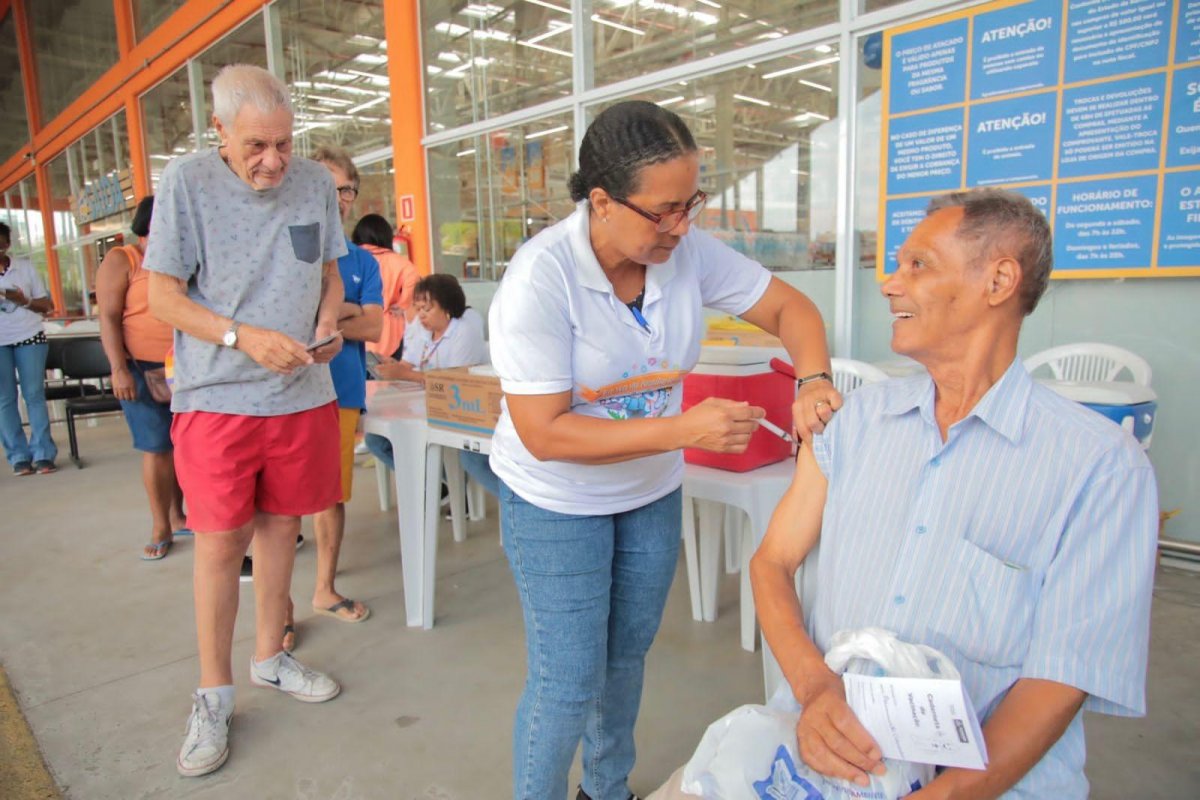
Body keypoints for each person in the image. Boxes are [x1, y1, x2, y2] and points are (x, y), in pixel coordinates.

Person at [750, 188, 1158, 799]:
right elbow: (772, 562)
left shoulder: (1100, 467)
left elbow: (1063, 676)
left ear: (998, 281)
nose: (890, 285)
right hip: (821, 752)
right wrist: (815, 689)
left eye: (919, 265)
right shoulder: (856, 422)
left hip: (984, 782)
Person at [486, 100, 839, 800]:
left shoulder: (684, 253)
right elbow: (545, 432)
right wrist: (682, 430)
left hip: (648, 495)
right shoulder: (541, 278)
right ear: (601, 201)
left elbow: (791, 310)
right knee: (567, 677)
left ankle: (607, 789)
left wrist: (815, 377)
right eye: (662, 211)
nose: (681, 226)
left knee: (623, 661)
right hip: (555, 500)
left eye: (691, 204)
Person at [144, 64, 347, 778]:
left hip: (300, 392)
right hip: (218, 395)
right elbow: (163, 297)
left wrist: (327, 316)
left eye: (285, 144)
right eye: (257, 145)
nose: (273, 161)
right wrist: (239, 336)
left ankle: (270, 657)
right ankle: (213, 693)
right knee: (220, 544)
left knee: (283, 526)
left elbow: (326, 271)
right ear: (220, 132)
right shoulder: (188, 187)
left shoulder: (315, 184)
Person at [286, 144, 384, 643]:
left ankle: (324, 588)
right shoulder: (283, 251)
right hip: (281, 391)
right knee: (278, 505)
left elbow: (373, 324)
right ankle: (277, 606)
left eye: (345, 189)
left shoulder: (363, 260)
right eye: (328, 186)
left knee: (330, 495)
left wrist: (334, 313)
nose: (338, 197)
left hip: (340, 391)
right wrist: (346, 311)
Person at [96, 196, 190, 560]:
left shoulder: (179, 261)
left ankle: (179, 515)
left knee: (182, 445)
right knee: (156, 447)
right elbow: (107, 317)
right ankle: (160, 526)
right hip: (138, 367)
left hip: (181, 367)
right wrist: (118, 368)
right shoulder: (124, 259)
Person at [366, 273, 495, 495]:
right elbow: (408, 364)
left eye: (427, 309)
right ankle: (440, 485)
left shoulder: (463, 331)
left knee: (466, 456)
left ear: (446, 306)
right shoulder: (425, 332)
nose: (421, 316)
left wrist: (404, 374)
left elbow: (455, 383)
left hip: (459, 409)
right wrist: (393, 366)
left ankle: (447, 487)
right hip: (422, 405)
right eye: (418, 308)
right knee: (375, 439)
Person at [0, 221, 57, 476]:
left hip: (29, 336)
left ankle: (43, 453)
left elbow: (47, 305)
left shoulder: (25, 268)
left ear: (7, 245)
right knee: (5, 399)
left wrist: (23, 300)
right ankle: (19, 456)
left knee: (34, 395)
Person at [353, 213, 418, 360]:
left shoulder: (352, 259)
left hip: (355, 331)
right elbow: (413, 286)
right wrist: (402, 305)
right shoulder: (402, 264)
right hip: (390, 334)